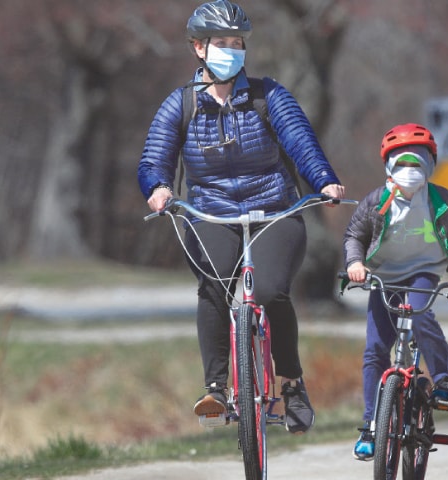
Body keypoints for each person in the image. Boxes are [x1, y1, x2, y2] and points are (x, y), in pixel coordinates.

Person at [137, 0, 345, 434]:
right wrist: (158, 188)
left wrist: (324, 181)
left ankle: (291, 385)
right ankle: (215, 387)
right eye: (222, 43)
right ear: (199, 48)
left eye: (238, 43)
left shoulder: (270, 96)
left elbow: (301, 142)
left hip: (274, 210)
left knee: (269, 291)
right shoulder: (181, 105)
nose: (231, 50)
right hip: (210, 213)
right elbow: (154, 159)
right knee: (213, 286)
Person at [342, 123, 448, 460]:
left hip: (423, 273)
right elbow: (354, 236)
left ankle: (445, 379)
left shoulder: (440, 200)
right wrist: (355, 263)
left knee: (418, 316)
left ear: (430, 166)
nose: (410, 171)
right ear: (388, 166)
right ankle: (372, 427)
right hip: (384, 277)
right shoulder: (377, 201)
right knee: (375, 349)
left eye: (418, 162)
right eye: (402, 163)